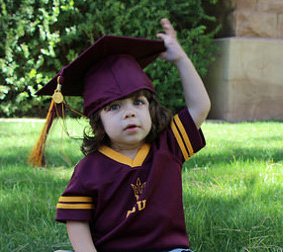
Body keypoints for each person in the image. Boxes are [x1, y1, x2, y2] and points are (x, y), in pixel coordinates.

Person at [37, 18, 210, 252]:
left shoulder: (168, 146)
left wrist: (181, 59)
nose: (129, 113)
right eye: (114, 107)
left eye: (138, 102)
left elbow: (200, 107)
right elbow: (76, 219)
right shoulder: (90, 168)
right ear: (98, 122)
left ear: (151, 108)